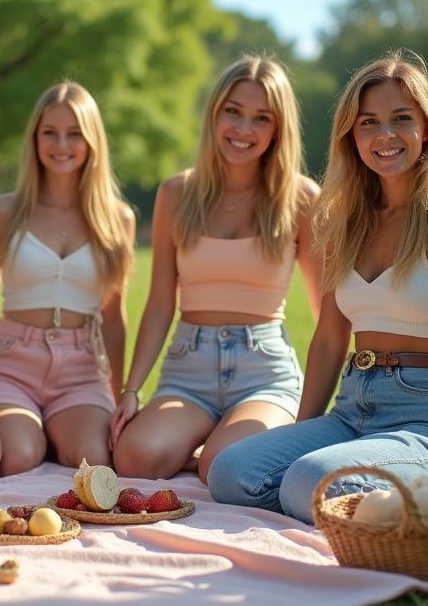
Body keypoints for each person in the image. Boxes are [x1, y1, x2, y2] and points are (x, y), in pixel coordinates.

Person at [208, 50, 428, 522]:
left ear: (427, 127)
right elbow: (327, 341)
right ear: (350, 135)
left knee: (308, 483)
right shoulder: (344, 220)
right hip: (352, 406)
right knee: (230, 472)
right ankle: (357, 491)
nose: (385, 135)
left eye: (401, 118)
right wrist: (297, 439)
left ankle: (415, 478)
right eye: (368, 122)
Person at [110, 55, 322, 483]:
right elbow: (158, 304)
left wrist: (324, 405)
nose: (243, 129)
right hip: (188, 369)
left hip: (264, 371)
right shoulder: (176, 192)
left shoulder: (300, 197)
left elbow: (327, 313)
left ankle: (216, 449)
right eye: (233, 112)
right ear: (215, 114)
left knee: (225, 466)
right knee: (132, 458)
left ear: (278, 128)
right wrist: (132, 390)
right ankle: (208, 442)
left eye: (261, 118)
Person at [0, 82, 135, 475]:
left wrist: (120, 395)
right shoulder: (3, 212)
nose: (62, 144)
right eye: (50, 132)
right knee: (18, 455)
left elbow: (114, 317)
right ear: (35, 139)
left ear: (92, 140)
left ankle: (55, 434)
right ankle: (35, 436)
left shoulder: (117, 218)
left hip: (81, 369)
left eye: (75, 133)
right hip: (10, 364)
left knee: (95, 459)